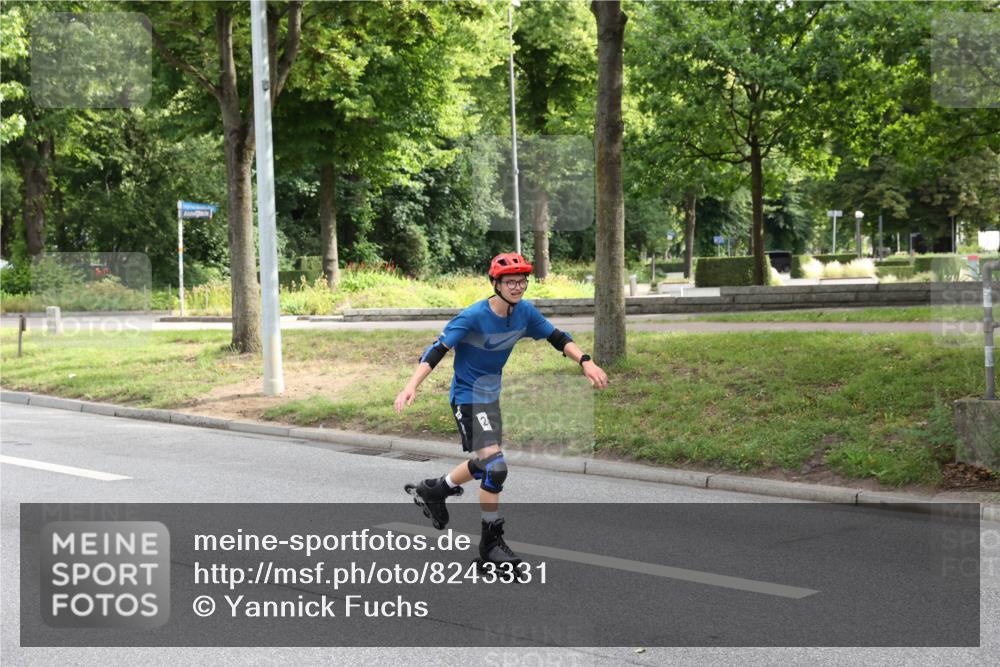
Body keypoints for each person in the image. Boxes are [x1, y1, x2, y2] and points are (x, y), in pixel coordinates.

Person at [395, 252, 609, 569]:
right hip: (467, 397)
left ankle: (436, 489)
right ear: (495, 283)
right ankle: (490, 544)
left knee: (485, 463)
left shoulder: (524, 313)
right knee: (495, 467)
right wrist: (411, 385)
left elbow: (557, 337)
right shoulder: (473, 316)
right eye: (510, 281)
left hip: (489, 397)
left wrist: (585, 361)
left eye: (522, 280)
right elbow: (437, 350)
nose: (517, 286)